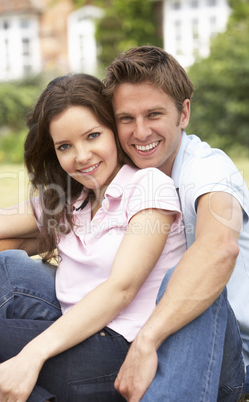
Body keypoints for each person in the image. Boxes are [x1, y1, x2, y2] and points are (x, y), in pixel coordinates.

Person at [0, 73, 186, 401]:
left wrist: (31, 355)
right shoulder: (74, 199)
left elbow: (121, 289)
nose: (81, 156)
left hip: (121, 352)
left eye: (92, 136)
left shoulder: (147, 186)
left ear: (113, 132)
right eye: (65, 146)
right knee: (1, 264)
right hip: (78, 330)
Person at [102, 45, 249, 401]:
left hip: (231, 356)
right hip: (142, 328)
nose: (140, 133)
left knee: (190, 278)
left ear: (183, 113)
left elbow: (219, 248)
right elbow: (40, 223)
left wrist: (146, 340)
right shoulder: (125, 171)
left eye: (153, 114)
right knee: (10, 271)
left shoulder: (208, 168)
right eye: (126, 119)